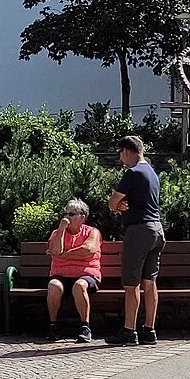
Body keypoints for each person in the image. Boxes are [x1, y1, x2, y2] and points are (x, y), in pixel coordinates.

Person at [105, 135, 162, 345]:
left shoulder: (133, 173)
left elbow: (112, 202)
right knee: (150, 282)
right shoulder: (153, 173)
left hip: (138, 231)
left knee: (131, 284)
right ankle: (150, 329)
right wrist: (121, 206)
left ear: (127, 151)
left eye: (121, 154)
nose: (121, 159)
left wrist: (117, 207)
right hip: (157, 229)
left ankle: (129, 331)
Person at [42, 198, 102, 343]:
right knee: (54, 286)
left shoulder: (92, 232)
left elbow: (88, 250)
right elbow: (55, 249)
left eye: (71, 214)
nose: (66, 217)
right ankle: (53, 326)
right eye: (66, 214)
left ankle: (85, 327)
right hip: (61, 273)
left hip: (87, 274)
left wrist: (63, 254)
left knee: (79, 286)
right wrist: (62, 229)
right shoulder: (57, 233)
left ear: (82, 217)